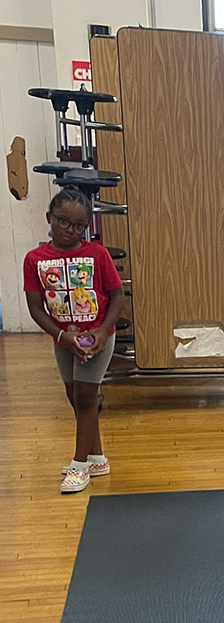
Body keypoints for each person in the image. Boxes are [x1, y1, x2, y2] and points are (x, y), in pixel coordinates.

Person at [23, 188, 124, 493]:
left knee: (85, 398)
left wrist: (101, 333)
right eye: (63, 221)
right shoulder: (34, 260)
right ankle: (96, 457)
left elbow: (117, 296)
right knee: (75, 397)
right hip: (62, 340)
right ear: (49, 219)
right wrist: (62, 337)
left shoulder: (98, 254)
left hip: (97, 338)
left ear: (87, 228)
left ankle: (79, 465)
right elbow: (34, 306)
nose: (69, 230)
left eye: (78, 226)